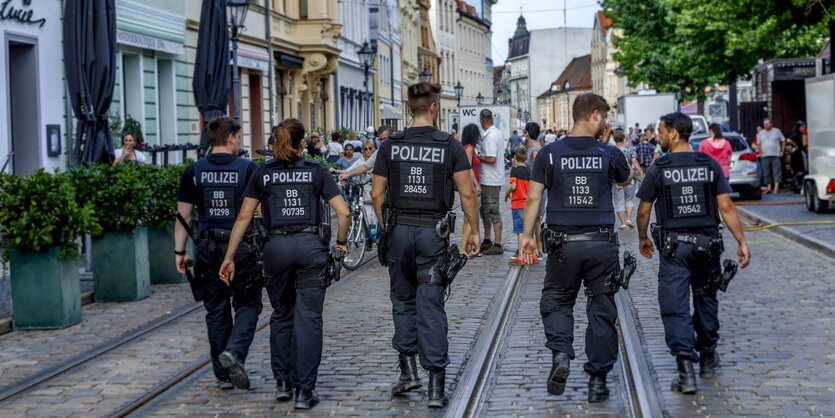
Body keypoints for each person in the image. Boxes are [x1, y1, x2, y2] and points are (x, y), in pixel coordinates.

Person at [219, 119, 350, 410]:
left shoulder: (262, 173)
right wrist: (340, 243)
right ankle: (304, 391)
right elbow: (343, 212)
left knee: (281, 314)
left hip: (275, 250)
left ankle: (282, 383)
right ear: (303, 143)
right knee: (309, 319)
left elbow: (242, 218)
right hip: (310, 249)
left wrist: (229, 258)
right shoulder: (315, 172)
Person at [371, 82, 481, 408]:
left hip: (399, 231)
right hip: (432, 233)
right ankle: (435, 387)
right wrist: (473, 230)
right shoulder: (450, 145)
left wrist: (385, 224)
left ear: (409, 108)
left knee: (402, 301)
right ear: (435, 108)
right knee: (430, 304)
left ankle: (408, 373)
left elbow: (377, 194)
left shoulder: (392, 145)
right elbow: (467, 193)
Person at [519, 93, 632, 403]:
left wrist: (527, 235)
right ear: (594, 115)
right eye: (604, 117)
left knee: (556, 299)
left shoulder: (549, 153)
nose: (607, 123)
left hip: (562, 246)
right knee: (602, 308)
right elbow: (626, 180)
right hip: (601, 245)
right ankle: (597, 381)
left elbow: (533, 199)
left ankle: (561, 355)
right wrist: (607, 145)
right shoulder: (609, 153)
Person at [636, 112, 751, 395]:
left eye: (661, 131)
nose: (658, 136)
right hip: (707, 246)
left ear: (674, 133)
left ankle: (685, 370)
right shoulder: (708, 164)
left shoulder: (660, 167)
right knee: (706, 299)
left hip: (674, 248)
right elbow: (725, 208)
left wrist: (642, 237)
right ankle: (709, 358)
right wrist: (741, 241)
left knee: (674, 306)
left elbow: (643, 209)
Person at [174, 117, 262, 391]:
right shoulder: (248, 169)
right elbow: (256, 213)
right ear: (232, 138)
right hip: (243, 248)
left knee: (216, 310)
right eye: (239, 136)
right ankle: (235, 352)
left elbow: (183, 216)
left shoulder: (193, 171)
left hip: (207, 249)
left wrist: (179, 251)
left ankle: (222, 376)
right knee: (248, 304)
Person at [477, 109, 506, 255]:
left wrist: (478, 157)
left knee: (493, 210)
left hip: (490, 179)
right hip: (491, 178)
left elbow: (491, 158)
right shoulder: (497, 133)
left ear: (482, 120)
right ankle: (487, 240)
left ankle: (498, 243)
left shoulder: (490, 137)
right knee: (486, 210)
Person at [505, 147, 534, 265]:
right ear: (526, 158)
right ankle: (531, 254)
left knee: (519, 230)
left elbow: (514, 186)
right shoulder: (529, 170)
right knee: (528, 229)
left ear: (515, 158)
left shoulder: (514, 170)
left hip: (518, 203)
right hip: (528, 204)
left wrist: (507, 193)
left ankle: (521, 255)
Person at [613, 131, 643, 229]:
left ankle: (622, 223)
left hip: (617, 180)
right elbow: (634, 162)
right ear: (624, 139)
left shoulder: (612, 150)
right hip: (630, 179)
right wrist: (641, 172)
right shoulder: (630, 150)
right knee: (629, 200)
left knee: (619, 201)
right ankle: (629, 219)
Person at [460, 123, 481, 256]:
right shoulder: (469, 148)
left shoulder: (467, 147)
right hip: (471, 187)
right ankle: (463, 248)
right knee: (471, 217)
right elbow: (468, 167)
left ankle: (467, 246)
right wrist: (476, 185)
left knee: (468, 218)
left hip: (470, 186)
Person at [757, 118, 785, 194]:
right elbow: (758, 144)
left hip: (775, 154)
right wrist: (761, 153)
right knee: (766, 172)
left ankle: (776, 187)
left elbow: (783, 140)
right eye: (764, 124)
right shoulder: (761, 133)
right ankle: (769, 187)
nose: (766, 125)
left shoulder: (777, 131)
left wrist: (782, 151)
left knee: (777, 171)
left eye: (767, 123)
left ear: (771, 124)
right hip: (765, 155)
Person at [786, 121, 807, 193]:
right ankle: (797, 187)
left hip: (797, 154)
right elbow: (788, 140)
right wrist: (795, 145)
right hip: (797, 155)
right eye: (802, 127)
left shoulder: (800, 134)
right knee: (798, 171)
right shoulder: (796, 134)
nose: (803, 129)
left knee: (799, 171)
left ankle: (798, 186)